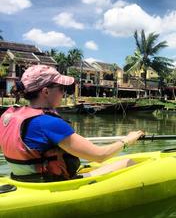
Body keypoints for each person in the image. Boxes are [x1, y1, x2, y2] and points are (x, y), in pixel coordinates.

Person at [0, 65, 144, 182]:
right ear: (45, 91)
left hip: (22, 180)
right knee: (129, 162)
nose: (64, 93)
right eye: (62, 89)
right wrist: (127, 140)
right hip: (52, 185)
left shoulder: (8, 116)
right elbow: (100, 155)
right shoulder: (48, 122)